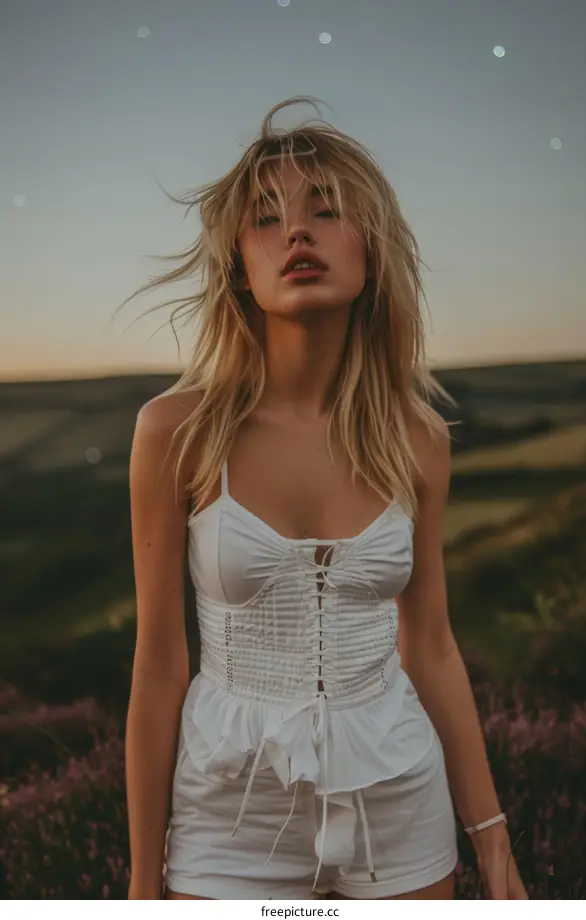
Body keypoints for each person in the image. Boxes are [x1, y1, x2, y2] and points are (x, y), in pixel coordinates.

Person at [123, 96, 528, 900]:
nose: (296, 233)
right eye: (266, 219)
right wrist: (142, 879)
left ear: (370, 251)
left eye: (324, 209)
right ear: (239, 265)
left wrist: (493, 842)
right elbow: (161, 666)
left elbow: (434, 648)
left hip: (400, 799)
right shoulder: (177, 432)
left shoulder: (418, 440)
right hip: (227, 812)